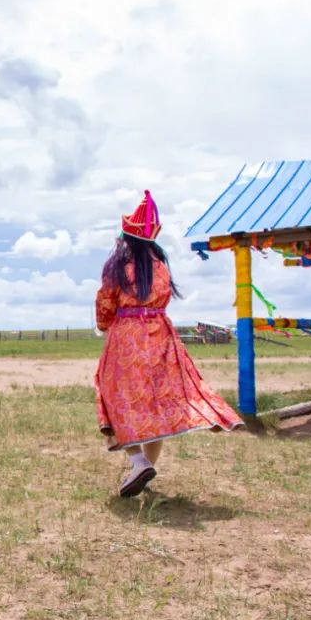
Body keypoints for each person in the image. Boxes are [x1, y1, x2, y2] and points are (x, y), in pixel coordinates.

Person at [94, 190, 243, 498]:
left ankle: (138, 462)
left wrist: (105, 325)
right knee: (155, 403)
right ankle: (145, 466)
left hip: (128, 334)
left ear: (126, 236)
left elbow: (105, 301)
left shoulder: (117, 265)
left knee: (116, 396)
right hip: (160, 333)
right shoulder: (160, 264)